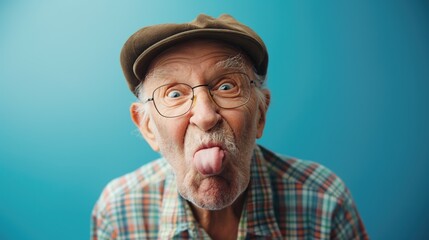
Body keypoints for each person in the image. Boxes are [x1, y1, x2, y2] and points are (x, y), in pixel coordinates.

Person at [91, 14, 368, 239]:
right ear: (148, 127)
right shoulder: (118, 211)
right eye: (174, 94)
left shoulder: (324, 202)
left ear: (260, 114)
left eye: (226, 86)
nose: (205, 116)